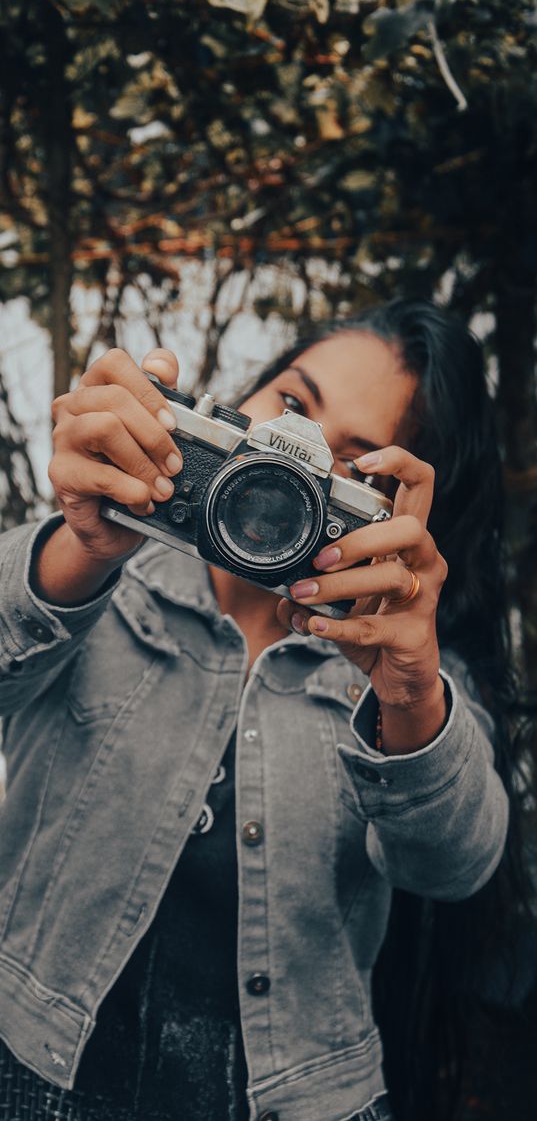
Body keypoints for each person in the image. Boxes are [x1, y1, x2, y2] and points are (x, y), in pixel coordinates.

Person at [0, 300, 519, 1121]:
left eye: (350, 468)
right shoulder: (107, 566)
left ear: (396, 519)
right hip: (31, 1064)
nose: (292, 464)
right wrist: (78, 549)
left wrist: (410, 689)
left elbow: (452, 866)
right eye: (290, 407)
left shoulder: (396, 664)